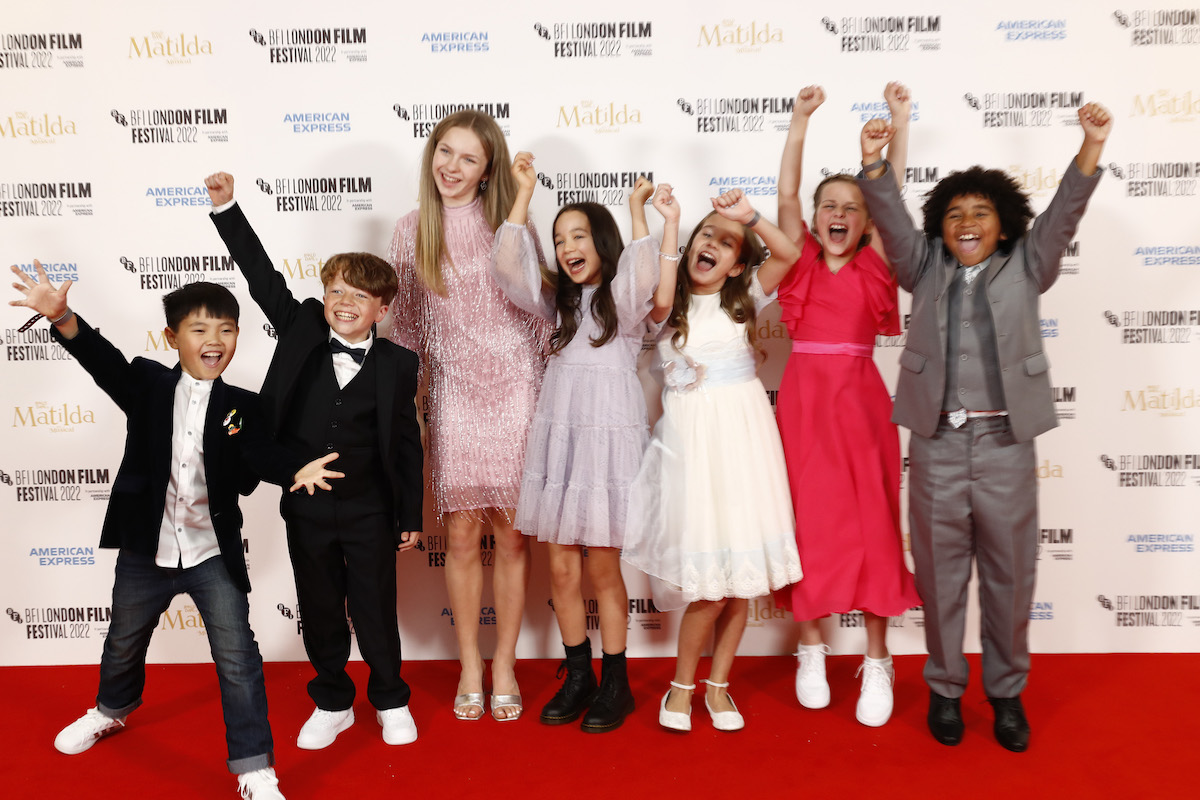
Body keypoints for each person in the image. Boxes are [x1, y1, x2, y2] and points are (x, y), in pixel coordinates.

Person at [12, 266, 342, 799]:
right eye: (199, 329)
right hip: (147, 549)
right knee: (123, 642)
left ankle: (254, 768)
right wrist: (62, 317)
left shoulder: (244, 405)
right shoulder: (146, 384)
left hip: (213, 553)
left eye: (227, 329)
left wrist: (294, 469)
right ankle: (111, 710)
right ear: (173, 337)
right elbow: (103, 361)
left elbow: (261, 453)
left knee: (239, 659)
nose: (215, 341)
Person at [856, 102, 1112, 751]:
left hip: (1006, 446)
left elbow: (1064, 215)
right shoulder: (922, 267)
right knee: (940, 575)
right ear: (940, 227)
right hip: (937, 443)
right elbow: (887, 217)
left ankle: (1005, 694)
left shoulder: (1030, 264)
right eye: (955, 212)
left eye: (981, 212)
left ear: (1005, 226)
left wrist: (1090, 147)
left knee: (1010, 574)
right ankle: (945, 688)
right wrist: (874, 165)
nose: (967, 222)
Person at [205, 173, 424, 749]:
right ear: (322, 295)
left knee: (375, 609)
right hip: (305, 504)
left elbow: (407, 442)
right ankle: (332, 700)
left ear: (381, 309)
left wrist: (409, 514)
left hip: (371, 508)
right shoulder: (302, 326)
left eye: (359, 295)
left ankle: (390, 698)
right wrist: (227, 209)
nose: (344, 302)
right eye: (336, 291)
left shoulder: (399, 364)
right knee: (319, 604)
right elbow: (260, 277)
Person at [386, 110, 550, 722]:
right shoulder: (409, 230)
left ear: (488, 172)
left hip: (514, 387)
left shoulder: (513, 225)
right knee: (459, 534)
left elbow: (539, 314)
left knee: (510, 534)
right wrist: (410, 404)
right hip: (453, 391)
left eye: (468, 159)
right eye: (444, 152)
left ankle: (503, 662)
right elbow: (403, 328)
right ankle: (470, 666)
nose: (451, 167)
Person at [493, 157, 668, 731]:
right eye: (560, 237)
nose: (568, 246)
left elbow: (643, 274)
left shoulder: (624, 303)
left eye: (580, 235)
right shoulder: (555, 306)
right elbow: (511, 270)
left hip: (609, 452)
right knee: (563, 572)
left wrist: (638, 210)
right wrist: (522, 195)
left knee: (603, 573)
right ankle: (579, 674)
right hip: (563, 446)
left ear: (603, 243)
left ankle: (616, 683)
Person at [622, 189, 803, 732]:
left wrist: (750, 218)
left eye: (727, 244)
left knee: (740, 581)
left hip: (744, 448)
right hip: (691, 455)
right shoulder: (668, 301)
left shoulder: (745, 295)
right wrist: (673, 224)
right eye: (709, 235)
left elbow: (789, 256)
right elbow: (659, 281)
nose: (714, 246)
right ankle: (680, 688)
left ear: (740, 265)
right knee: (707, 586)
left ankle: (718, 687)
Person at [773, 83, 921, 727]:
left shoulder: (876, 263)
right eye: (827, 206)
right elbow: (784, 195)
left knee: (874, 526)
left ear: (866, 223)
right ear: (816, 216)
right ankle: (811, 648)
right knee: (806, 522)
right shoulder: (800, 256)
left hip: (862, 406)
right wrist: (799, 120)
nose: (839, 214)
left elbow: (895, 199)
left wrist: (898, 123)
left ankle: (878, 658)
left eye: (852, 208)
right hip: (803, 405)